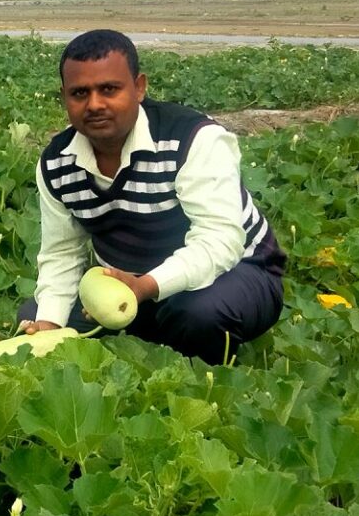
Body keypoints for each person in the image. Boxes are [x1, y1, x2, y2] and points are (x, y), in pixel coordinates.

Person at [20, 29, 285, 364]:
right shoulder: (57, 164)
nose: (95, 104)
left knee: (198, 314)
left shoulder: (192, 139)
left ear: (140, 87)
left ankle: (203, 372)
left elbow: (221, 242)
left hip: (240, 270)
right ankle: (146, 335)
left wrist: (145, 287)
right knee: (35, 314)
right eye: (79, 93)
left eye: (109, 89)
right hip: (130, 289)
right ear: (64, 98)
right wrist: (49, 325)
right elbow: (62, 254)